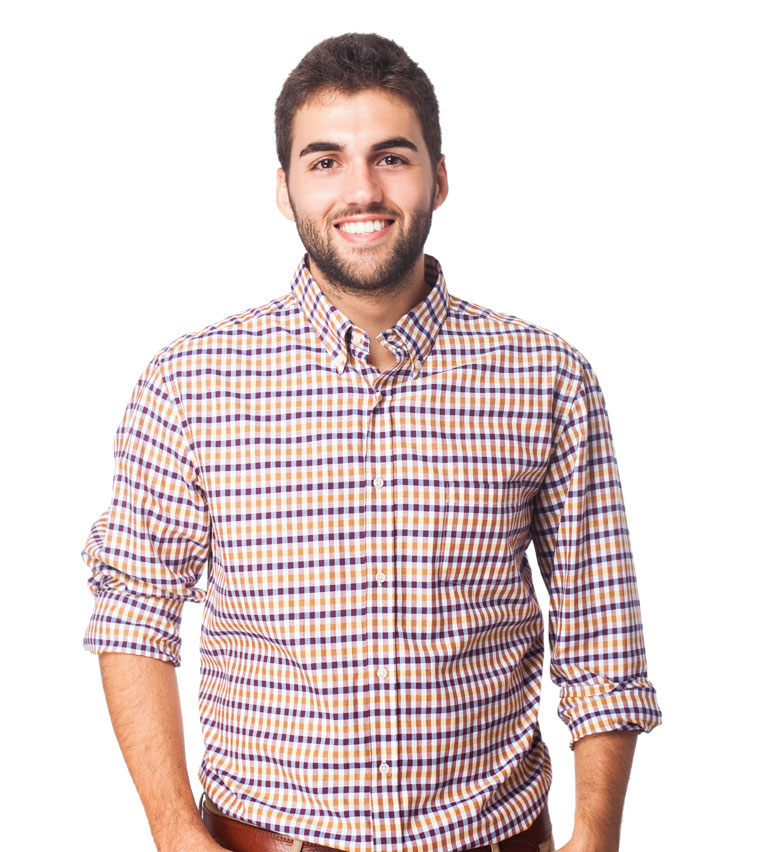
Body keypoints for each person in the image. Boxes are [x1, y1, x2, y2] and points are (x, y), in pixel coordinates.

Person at [83, 32, 662, 852]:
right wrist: (177, 833)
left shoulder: (547, 377)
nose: (362, 190)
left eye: (391, 157)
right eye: (325, 161)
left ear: (440, 177)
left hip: (494, 835)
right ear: (284, 188)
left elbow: (601, 629)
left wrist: (595, 836)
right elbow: (135, 611)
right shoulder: (189, 383)